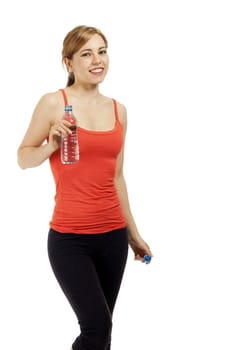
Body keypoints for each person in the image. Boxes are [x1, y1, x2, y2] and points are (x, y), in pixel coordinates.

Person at [17, 25, 152, 350]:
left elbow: (117, 177)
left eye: (102, 51)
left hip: (113, 237)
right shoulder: (53, 103)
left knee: (102, 333)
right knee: (96, 326)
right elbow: (23, 158)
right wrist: (51, 146)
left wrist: (133, 235)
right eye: (86, 53)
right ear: (69, 63)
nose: (97, 60)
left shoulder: (119, 110)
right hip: (69, 239)